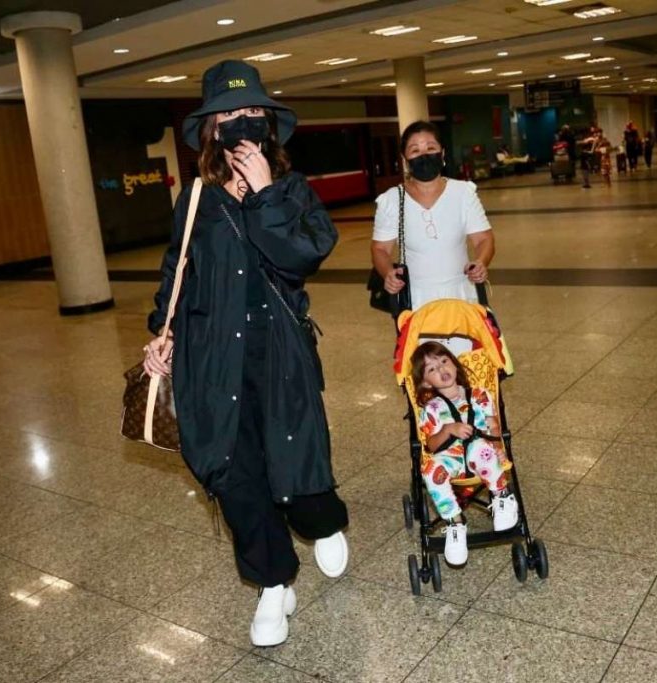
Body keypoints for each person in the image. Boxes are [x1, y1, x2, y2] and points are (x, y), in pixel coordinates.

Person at [142, 60, 349, 648]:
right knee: (235, 475)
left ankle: (321, 522)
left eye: (252, 110)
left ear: (268, 122)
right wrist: (162, 333)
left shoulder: (291, 190)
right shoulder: (196, 199)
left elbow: (303, 256)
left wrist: (265, 193)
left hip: (278, 353)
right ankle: (272, 583)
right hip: (210, 358)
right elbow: (177, 273)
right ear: (211, 128)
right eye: (228, 113)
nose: (241, 121)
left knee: (296, 457)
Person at [371, 120, 494, 313]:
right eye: (415, 150)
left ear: (442, 153)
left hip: (462, 296)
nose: (424, 155)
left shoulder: (463, 193)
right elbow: (380, 249)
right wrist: (388, 272)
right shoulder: (391, 200)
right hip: (416, 302)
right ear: (405, 159)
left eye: (430, 148)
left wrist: (481, 262)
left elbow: (483, 239)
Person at [412, 342, 518, 566]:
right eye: (432, 369)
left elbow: (493, 428)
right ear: (425, 382)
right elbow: (431, 445)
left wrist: (499, 449)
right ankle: (455, 523)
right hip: (450, 457)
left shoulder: (480, 395)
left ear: (454, 363)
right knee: (430, 469)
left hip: (480, 454)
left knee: (482, 450)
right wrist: (447, 430)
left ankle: (502, 496)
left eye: (444, 361)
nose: (441, 369)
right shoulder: (431, 409)